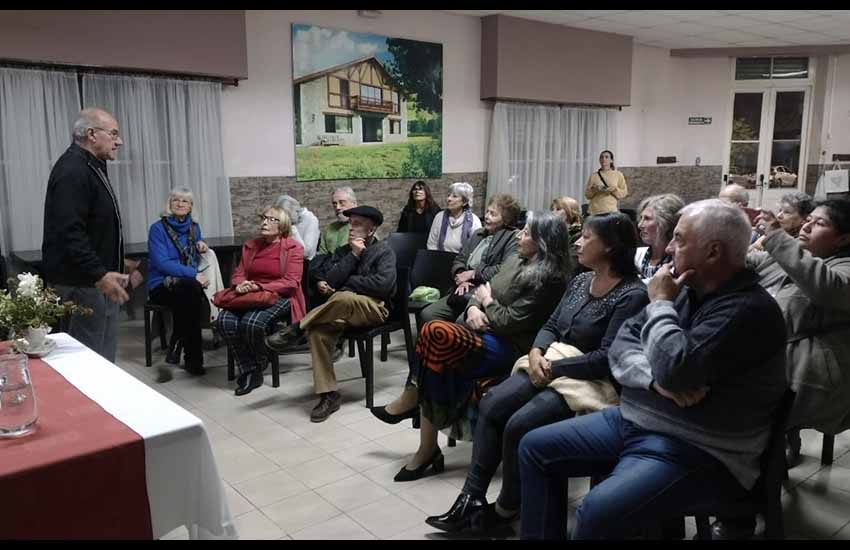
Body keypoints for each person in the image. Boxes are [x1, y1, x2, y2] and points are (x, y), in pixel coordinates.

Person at [517, 199, 787, 540]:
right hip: (636, 420)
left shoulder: (747, 310)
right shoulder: (687, 290)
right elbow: (620, 347)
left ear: (713, 252)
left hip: (697, 447)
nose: (669, 247)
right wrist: (652, 380)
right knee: (534, 447)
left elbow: (676, 369)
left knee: (597, 512)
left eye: (679, 239)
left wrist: (659, 305)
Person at [426, 212, 648, 534]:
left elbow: (605, 358)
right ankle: (471, 499)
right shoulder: (581, 280)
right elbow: (552, 325)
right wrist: (535, 352)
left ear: (611, 247)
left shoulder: (631, 294)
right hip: (549, 361)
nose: (577, 242)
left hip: (588, 379)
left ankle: (505, 508)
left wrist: (551, 366)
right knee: (491, 403)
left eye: (586, 237)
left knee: (519, 425)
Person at [391, 211, 571, 483]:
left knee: (433, 332)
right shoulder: (515, 259)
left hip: (510, 347)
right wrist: (476, 306)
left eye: (526, 233)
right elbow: (484, 289)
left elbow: (509, 322)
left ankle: (422, 428)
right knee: (431, 341)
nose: (519, 236)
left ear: (543, 242)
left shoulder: (550, 279)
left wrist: (486, 304)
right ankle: (426, 443)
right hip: (485, 332)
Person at [706, 200, 850, 540]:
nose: (806, 226)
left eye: (819, 224)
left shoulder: (839, 267)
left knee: (728, 416)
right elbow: (751, 264)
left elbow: (824, 285)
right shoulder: (790, 253)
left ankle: (740, 513)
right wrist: (728, 238)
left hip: (809, 373)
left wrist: (774, 234)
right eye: (808, 220)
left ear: (843, 239)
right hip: (771, 361)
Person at [373, 194, 522, 424]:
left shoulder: (511, 238)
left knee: (461, 321)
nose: (487, 216)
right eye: (488, 212)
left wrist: (474, 275)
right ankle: (424, 366)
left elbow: (503, 271)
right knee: (428, 314)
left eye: (493, 213)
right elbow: (458, 259)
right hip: (462, 288)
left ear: (507, 218)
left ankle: (435, 375)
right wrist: (460, 276)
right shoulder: (478, 234)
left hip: (485, 292)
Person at [265, 206, 395, 422]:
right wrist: (354, 255)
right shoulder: (345, 251)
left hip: (374, 309)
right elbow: (331, 279)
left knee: (343, 297)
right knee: (317, 332)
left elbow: (383, 286)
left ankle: (297, 328)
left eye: (358, 224)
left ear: (371, 230)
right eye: (350, 222)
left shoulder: (384, 251)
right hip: (341, 309)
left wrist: (350, 284)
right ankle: (328, 395)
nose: (351, 228)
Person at [42, 107, 129, 362]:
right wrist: (99, 274)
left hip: (95, 281)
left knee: (102, 360)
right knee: (87, 364)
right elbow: (70, 232)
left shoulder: (92, 165)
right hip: (83, 284)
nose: (119, 141)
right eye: (114, 134)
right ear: (91, 134)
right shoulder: (73, 170)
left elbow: (94, 224)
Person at [216, 206, 306, 397]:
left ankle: (259, 360)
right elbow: (239, 273)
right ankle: (251, 369)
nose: (264, 222)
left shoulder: (293, 248)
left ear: (282, 226)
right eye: (264, 218)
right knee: (224, 320)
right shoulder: (251, 245)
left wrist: (260, 286)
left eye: (271, 219)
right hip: (249, 295)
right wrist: (240, 285)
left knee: (251, 322)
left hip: (280, 296)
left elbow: (291, 282)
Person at [147, 187, 211, 376]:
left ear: (191, 206)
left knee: (191, 294)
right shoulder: (157, 228)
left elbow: (193, 248)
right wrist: (193, 274)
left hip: (186, 286)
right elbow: (162, 263)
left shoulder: (194, 227)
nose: (180, 204)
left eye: (185, 201)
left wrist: (201, 244)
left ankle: (178, 340)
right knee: (194, 293)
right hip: (161, 284)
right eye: (176, 200)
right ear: (169, 203)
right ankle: (193, 359)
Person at [634, 194, 685, 283]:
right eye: (641, 218)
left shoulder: (680, 261)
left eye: (647, 219)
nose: (640, 225)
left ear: (666, 223)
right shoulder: (637, 256)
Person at [427, 182, 482, 253]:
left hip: (463, 262)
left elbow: (476, 249)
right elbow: (432, 244)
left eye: (454, 196)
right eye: (448, 195)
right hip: (439, 258)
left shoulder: (474, 221)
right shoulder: (439, 217)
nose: (449, 199)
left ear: (464, 202)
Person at [749, 191, 814, 252]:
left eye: (787, 212)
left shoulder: (803, 243)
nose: (779, 215)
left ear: (804, 219)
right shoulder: (773, 233)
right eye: (780, 210)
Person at [275, 194, 320, 261]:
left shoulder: (311, 219)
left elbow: (306, 254)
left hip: (306, 263)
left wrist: (292, 229)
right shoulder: (292, 219)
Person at [317, 186, 358, 256]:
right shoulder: (329, 229)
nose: (337, 207)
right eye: (334, 204)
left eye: (342, 203)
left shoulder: (364, 227)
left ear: (354, 204)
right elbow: (321, 256)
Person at [584, 150, 627, 215]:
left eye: (606, 157)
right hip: (594, 211)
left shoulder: (618, 175)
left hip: (610, 211)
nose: (603, 159)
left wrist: (614, 189)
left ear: (611, 160)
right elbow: (587, 195)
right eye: (601, 157)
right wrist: (595, 190)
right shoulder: (594, 176)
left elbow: (623, 193)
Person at [551, 196, 583, 272]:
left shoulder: (579, 235)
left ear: (570, 211)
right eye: (552, 209)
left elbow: (573, 263)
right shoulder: (551, 232)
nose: (553, 213)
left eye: (558, 209)